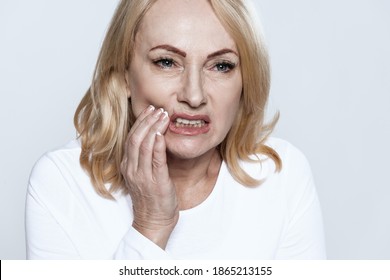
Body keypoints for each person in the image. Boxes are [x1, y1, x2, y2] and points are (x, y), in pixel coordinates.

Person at [25, 0, 326, 259]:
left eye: (221, 66)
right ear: (123, 77)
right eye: (167, 62)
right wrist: (151, 224)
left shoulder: (281, 175)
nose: (193, 96)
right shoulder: (62, 182)